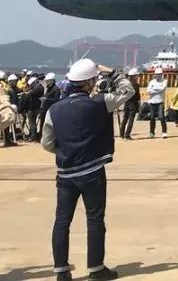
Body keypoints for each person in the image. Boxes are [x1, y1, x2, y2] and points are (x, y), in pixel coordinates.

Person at [41, 58, 134, 281]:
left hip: (65, 174)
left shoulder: (55, 109)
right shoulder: (100, 103)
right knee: (95, 219)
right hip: (92, 172)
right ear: (90, 82)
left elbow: (47, 143)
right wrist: (112, 73)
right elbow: (128, 90)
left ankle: (61, 271)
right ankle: (96, 268)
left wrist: (66, 151)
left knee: (62, 221)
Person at [145, 68, 168, 138]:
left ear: (162, 74)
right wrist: (157, 91)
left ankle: (164, 132)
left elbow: (163, 89)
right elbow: (148, 91)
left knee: (161, 117)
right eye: (157, 74)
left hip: (160, 102)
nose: (158, 75)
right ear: (155, 75)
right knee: (152, 117)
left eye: (160, 74)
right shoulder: (152, 82)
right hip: (152, 102)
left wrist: (154, 89)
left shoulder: (164, 81)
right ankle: (152, 132)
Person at [119, 69, 141, 140]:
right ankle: (127, 135)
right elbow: (137, 96)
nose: (137, 77)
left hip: (126, 103)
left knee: (125, 119)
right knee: (131, 120)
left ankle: (121, 134)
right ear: (134, 76)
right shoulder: (136, 85)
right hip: (133, 104)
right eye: (136, 75)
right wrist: (139, 104)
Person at [40, 72, 61, 138]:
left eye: (47, 81)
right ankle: (41, 136)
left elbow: (56, 100)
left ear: (52, 81)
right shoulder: (48, 88)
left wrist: (46, 99)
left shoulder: (56, 89)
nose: (46, 82)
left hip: (51, 109)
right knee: (42, 123)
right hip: (45, 109)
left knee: (49, 124)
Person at [25, 75, 44, 141]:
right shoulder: (40, 87)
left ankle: (33, 136)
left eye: (31, 85)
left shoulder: (38, 88)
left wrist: (27, 93)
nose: (30, 86)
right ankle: (32, 135)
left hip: (34, 108)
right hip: (35, 107)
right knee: (32, 123)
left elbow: (30, 94)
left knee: (32, 123)